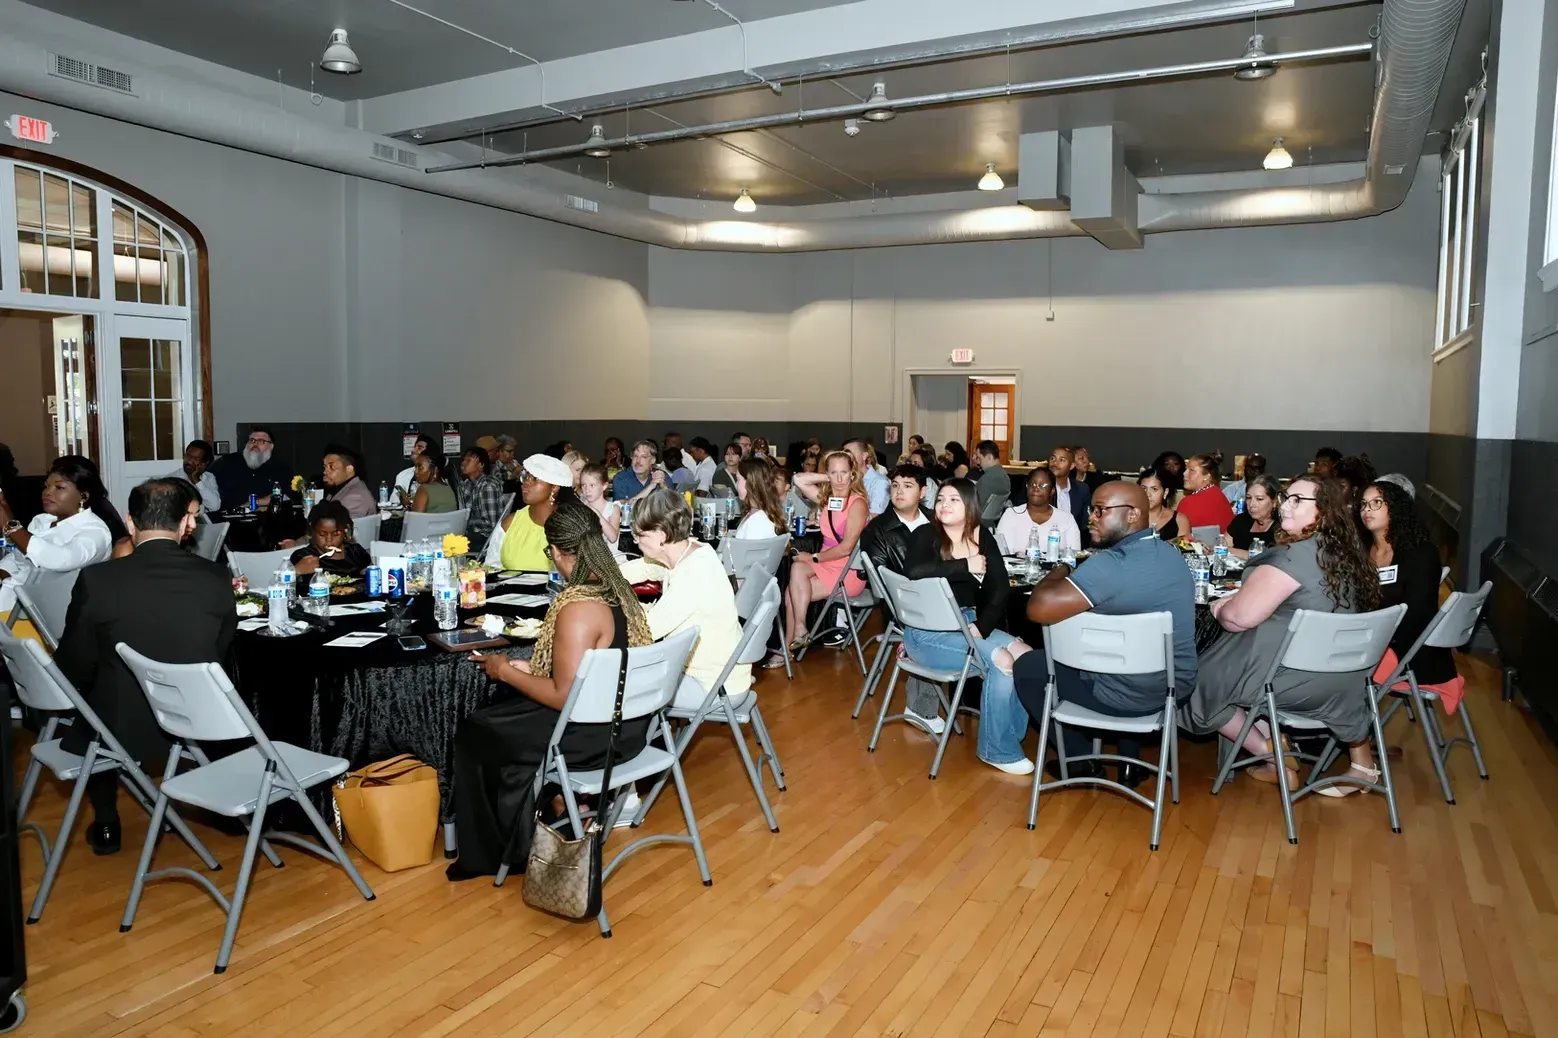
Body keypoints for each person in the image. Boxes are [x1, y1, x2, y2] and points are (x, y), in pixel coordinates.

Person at [447, 501, 654, 879]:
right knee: (505, 713)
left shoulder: (579, 607)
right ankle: (546, 807)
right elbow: (582, 675)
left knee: (477, 728)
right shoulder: (617, 588)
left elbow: (562, 696)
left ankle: (498, 853)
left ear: (557, 552)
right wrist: (529, 670)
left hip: (593, 735)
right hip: (628, 723)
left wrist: (505, 671)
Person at [54, 478, 234, 854]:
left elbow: (74, 661)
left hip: (118, 724)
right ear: (186, 525)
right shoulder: (216, 577)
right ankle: (173, 804)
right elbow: (218, 651)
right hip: (193, 721)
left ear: (130, 523)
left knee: (95, 695)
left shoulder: (97, 579)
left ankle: (106, 823)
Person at [1187, 475, 1381, 792]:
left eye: (1296, 500)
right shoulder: (1347, 556)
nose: (1285, 506)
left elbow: (1238, 619)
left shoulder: (1291, 559)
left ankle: (1274, 754)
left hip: (1294, 681)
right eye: (1285, 498)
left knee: (1197, 678)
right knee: (1236, 665)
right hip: (1346, 681)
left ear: (1324, 510)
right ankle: (1273, 755)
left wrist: (1219, 606)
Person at [1014, 481, 1197, 786]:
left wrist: (1060, 568)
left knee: (1030, 666)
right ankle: (1130, 762)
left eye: (1101, 510)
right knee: (1124, 653)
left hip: (1123, 694)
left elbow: (1038, 608)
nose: (1092, 518)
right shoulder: (1172, 555)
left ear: (1132, 515)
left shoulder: (1108, 566)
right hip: (1173, 688)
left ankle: (1080, 763)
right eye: (1092, 509)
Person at [903, 478, 1032, 772]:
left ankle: (1008, 735)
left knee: (1025, 655)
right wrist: (965, 565)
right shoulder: (926, 534)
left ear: (970, 506)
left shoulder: (983, 536)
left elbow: (1000, 588)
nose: (944, 505)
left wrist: (981, 628)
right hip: (927, 633)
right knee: (1001, 660)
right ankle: (997, 750)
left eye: (953, 500)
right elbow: (915, 571)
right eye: (941, 500)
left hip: (968, 622)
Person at [620, 490, 750, 711]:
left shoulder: (692, 575)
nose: (636, 542)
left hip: (712, 685)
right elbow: (645, 567)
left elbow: (646, 631)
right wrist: (601, 578)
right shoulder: (693, 551)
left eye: (641, 535)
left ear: (661, 535)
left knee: (618, 688)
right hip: (722, 674)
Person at [1360, 480, 1462, 711]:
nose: (1367, 509)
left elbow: (1419, 614)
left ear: (1396, 508)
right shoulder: (1362, 550)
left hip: (1408, 651)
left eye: (1376, 503)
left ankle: (1352, 739)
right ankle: (1357, 738)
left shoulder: (1421, 553)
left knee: (1332, 666)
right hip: (1372, 639)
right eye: (1364, 504)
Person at [0, 456, 117, 617]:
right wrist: (4, 572)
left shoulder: (95, 533)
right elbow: (17, 558)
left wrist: (10, 526)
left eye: (59, 487)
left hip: (48, 617)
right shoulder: (41, 521)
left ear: (83, 496)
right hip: (14, 603)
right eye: (46, 486)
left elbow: (59, 559)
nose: (47, 492)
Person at [785, 450, 868, 649]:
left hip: (848, 571)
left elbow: (847, 548)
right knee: (796, 571)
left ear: (853, 475)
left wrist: (813, 558)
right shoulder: (828, 499)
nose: (839, 479)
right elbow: (798, 479)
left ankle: (788, 647)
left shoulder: (857, 503)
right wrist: (828, 476)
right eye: (834, 473)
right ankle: (799, 631)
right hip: (826, 562)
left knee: (790, 593)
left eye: (844, 473)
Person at [485, 454, 571, 572]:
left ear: (554, 488)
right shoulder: (510, 523)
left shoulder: (569, 525)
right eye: (525, 477)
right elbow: (491, 568)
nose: (526, 483)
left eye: (535, 479)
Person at [995, 466, 1081, 556]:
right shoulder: (1011, 514)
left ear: (1052, 491)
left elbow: (1074, 557)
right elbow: (1001, 556)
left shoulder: (1066, 519)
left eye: (1042, 485)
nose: (1036, 488)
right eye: (1032, 484)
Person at [289, 500, 371, 586]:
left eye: (336, 534)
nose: (329, 540)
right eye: (322, 534)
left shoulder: (356, 552)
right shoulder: (303, 556)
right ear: (311, 532)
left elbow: (372, 577)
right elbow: (284, 587)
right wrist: (296, 571)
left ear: (345, 531)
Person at [208, 427, 292, 510]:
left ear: (271, 446)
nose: (255, 444)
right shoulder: (226, 462)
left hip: (267, 518)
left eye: (261, 441)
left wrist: (254, 502)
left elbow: (286, 496)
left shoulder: (280, 467)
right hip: (228, 518)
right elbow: (205, 481)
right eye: (252, 440)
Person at [455, 447, 506, 552]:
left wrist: (463, 522)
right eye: (464, 460)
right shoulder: (467, 484)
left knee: (451, 543)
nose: (463, 463)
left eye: (468, 460)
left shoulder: (488, 486)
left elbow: (491, 524)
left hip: (485, 538)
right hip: (472, 533)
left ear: (481, 465)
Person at [1221, 474, 1281, 557]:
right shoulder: (1241, 520)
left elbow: (1269, 558)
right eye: (1249, 498)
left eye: (1259, 499)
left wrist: (1231, 550)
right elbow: (1222, 547)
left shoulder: (1281, 529)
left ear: (1274, 502)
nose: (1252, 504)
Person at [1176, 452, 1235, 534]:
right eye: (1186, 469)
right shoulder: (1220, 495)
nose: (1184, 473)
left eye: (1191, 470)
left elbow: (1178, 538)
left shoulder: (1188, 503)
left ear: (1207, 475)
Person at [1048, 446, 1094, 546]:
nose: (1055, 463)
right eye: (1052, 458)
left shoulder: (1082, 489)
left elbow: (1085, 525)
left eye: (1062, 460)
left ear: (1072, 465)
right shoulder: (1039, 487)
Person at [734, 455, 787, 539]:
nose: (736, 484)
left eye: (738, 479)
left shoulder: (756, 522)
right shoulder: (759, 513)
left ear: (750, 483)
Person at [322, 446, 377, 519]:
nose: (325, 472)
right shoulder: (338, 489)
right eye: (325, 467)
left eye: (331, 467)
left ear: (349, 469)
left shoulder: (356, 497)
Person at [168, 439, 220, 513]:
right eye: (188, 456)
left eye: (196, 459)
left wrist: (197, 481)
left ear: (204, 464)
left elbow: (215, 506)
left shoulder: (209, 477)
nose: (189, 461)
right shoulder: (173, 479)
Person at [1140, 466, 1190, 542]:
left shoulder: (1179, 520)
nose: (1147, 494)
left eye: (1154, 489)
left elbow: (1184, 549)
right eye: (1143, 488)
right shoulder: (1129, 517)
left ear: (1165, 492)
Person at [577, 462, 621, 543]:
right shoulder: (580, 507)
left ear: (604, 486)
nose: (587, 490)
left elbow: (613, 538)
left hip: (608, 554)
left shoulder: (613, 509)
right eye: (583, 485)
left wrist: (596, 513)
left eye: (592, 485)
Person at [844, 438, 889, 516]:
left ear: (864, 456)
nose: (846, 458)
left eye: (850, 454)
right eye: (844, 455)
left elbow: (875, 517)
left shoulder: (880, 482)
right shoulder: (846, 479)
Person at [974, 440, 1011, 515]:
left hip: (979, 521)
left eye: (979, 458)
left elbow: (974, 506)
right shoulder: (1006, 477)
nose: (978, 462)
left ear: (989, 457)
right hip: (993, 522)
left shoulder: (986, 479)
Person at [394, 434, 432, 500]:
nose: (413, 450)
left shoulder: (437, 477)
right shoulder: (402, 476)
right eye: (414, 447)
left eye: (419, 448)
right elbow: (394, 503)